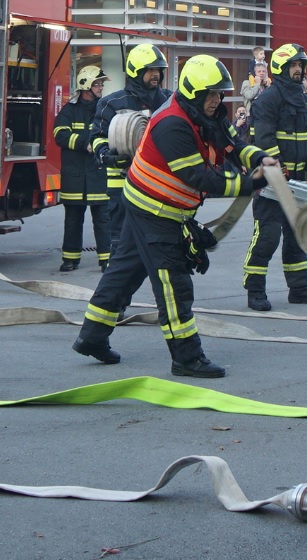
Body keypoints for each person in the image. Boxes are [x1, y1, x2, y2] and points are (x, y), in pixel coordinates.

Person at [72, 54, 268, 378]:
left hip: (150, 205)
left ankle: (92, 337)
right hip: (155, 211)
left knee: (124, 272)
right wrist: (250, 183)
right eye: (213, 94)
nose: (219, 100)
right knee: (172, 282)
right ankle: (187, 358)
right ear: (193, 93)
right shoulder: (172, 123)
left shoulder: (207, 114)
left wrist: (257, 155)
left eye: (220, 94)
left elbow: (231, 145)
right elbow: (198, 177)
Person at [241, 43, 307, 312]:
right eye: (293, 65)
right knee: (267, 236)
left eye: (301, 66)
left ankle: (299, 288)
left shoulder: (303, 98)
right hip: (271, 182)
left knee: (297, 236)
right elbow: (264, 139)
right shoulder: (268, 99)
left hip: (298, 181)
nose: (298, 70)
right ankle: (255, 289)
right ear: (281, 67)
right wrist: (278, 168)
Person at [91, 42, 171, 260]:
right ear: (136, 72)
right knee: (121, 241)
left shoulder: (170, 101)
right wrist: (106, 155)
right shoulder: (112, 103)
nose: (156, 75)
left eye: (158, 70)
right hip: (122, 185)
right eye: (151, 70)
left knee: (161, 238)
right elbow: (97, 137)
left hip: (158, 184)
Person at [52, 65, 113, 271]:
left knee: (103, 219)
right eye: (97, 84)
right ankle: (70, 259)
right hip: (75, 176)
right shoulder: (69, 110)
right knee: (73, 220)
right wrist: (84, 143)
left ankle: (106, 259)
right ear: (85, 84)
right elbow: (59, 134)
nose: (101, 88)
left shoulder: (104, 109)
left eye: (101, 84)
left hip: (97, 173)